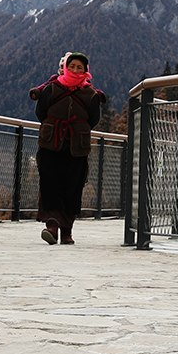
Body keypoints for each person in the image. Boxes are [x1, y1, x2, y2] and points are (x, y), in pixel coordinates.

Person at [29, 51, 105, 244]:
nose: (75, 70)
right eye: (72, 66)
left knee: (73, 186)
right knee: (50, 182)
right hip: (50, 144)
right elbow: (41, 112)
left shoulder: (90, 94)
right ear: (65, 67)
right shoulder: (52, 88)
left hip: (76, 147)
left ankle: (66, 230)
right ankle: (53, 226)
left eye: (80, 67)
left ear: (86, 70)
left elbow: (93, 119)